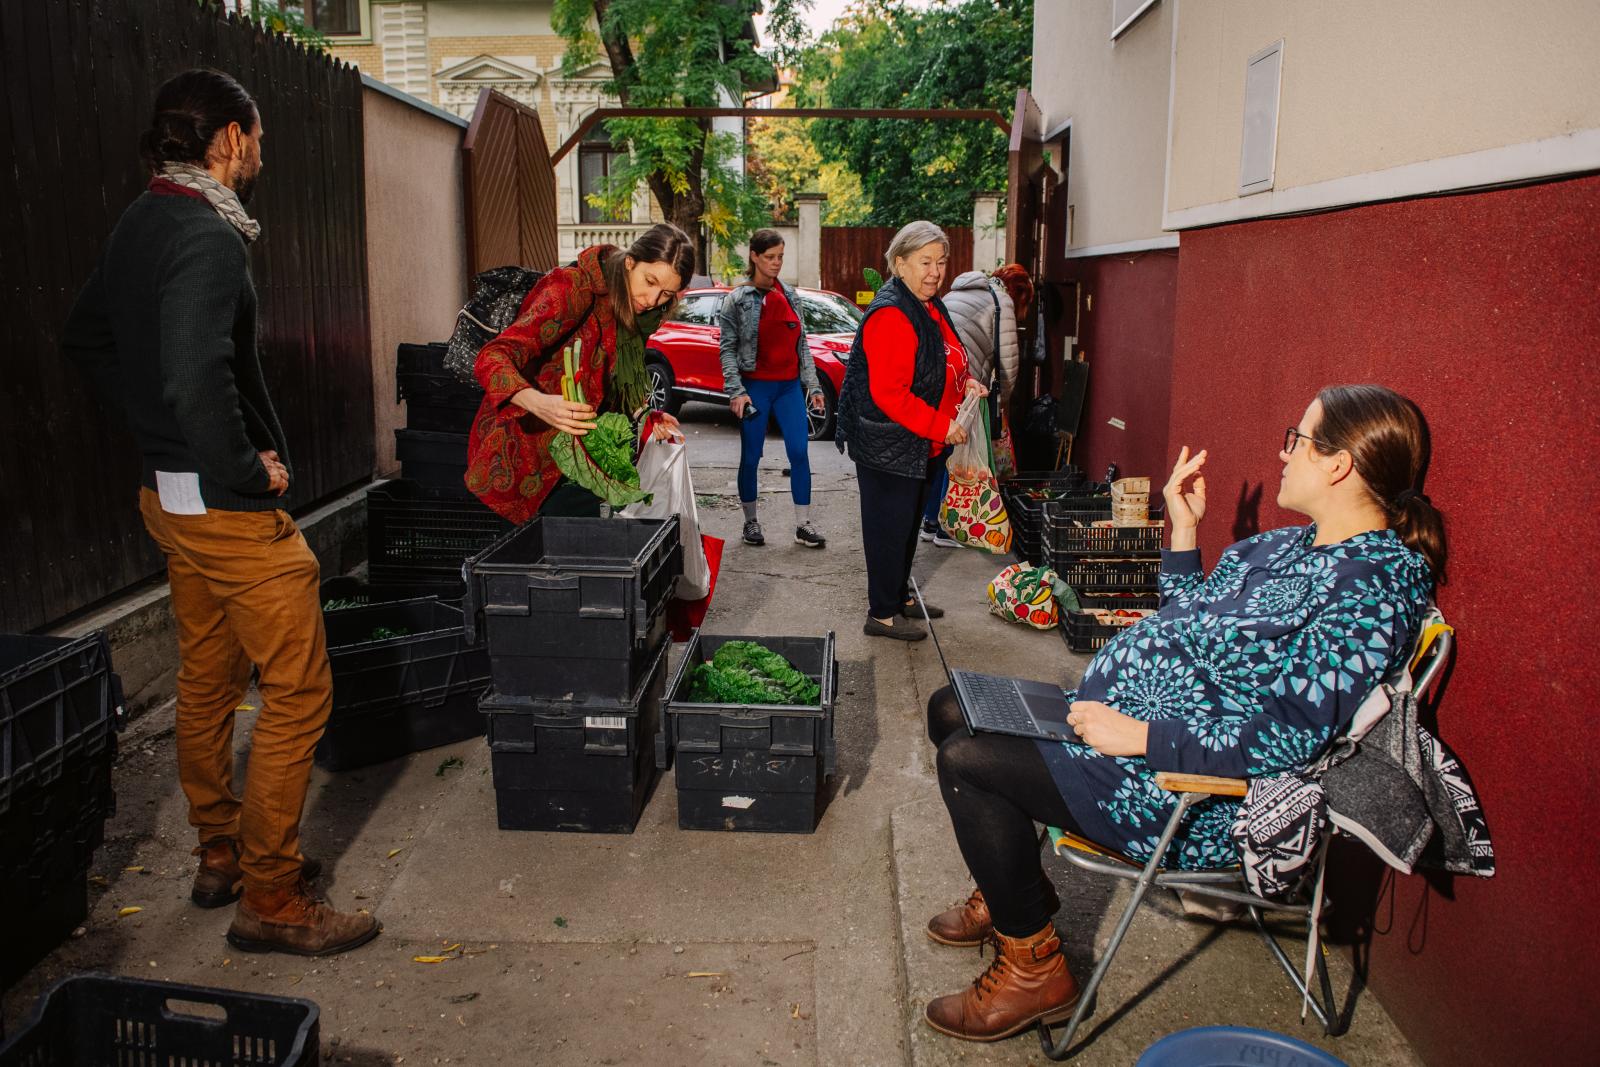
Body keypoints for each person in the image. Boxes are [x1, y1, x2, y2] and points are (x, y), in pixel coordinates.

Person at [919, 384, 1443, 1041]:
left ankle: (1033, 967)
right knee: (951, 706)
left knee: (968, 758)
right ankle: (1009, 895)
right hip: (1121, 734)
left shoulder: (1370, 589)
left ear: (1338, 464)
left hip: (1177, 790)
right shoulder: (1284, 547)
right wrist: (1185, 529)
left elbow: (1290, 737)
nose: (1284, 454)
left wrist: (1141, 735)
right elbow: (1188, 620)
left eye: (1298, 440)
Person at [61, 69, 379, 956]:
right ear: (231, 140)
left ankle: (221, 851)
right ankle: (273, 896)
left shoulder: (144, 216)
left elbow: (87, 339)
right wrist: (244, 464)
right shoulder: (205, 237)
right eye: (260, 136)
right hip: (227, 509)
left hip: (170, 500)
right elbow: (195, 375)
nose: (263, 151)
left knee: (207, 677)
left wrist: (161, 439)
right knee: (300, 690)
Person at [465, 224, 696, 522]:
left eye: (666, 293)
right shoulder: (572, 288)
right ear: (630, 262)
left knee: (580, 560)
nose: (653, 299)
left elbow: (616, 383)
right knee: (521, 562)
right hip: (524, 461)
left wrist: (644, 415)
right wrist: (538, 402)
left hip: (582, 467)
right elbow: (493, 356)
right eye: (649, 281)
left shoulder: (639, 315)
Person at [834, 221, 989, 640]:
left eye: (941, 262)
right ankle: (881, 615)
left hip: (922, 443)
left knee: (905, 530)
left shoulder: (929, 306)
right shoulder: (892, 314)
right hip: (890, 444)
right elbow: (890, 394)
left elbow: (947, 360)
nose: (935, 271)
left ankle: (900, 596)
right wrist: (943, 424)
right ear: (899, 263)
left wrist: (966, 383)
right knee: (888, 531)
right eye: (925, 262)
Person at [719, 229, 829, 549]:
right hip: (756, 388)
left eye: (781, 256)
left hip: (789, 388)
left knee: (799, 452)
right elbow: (726, 349)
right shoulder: (737, 300)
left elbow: (802, 343)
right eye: (770, 257)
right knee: (752, 456)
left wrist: (814, 385)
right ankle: (750, 521)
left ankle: (803, 525)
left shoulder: (790, 294)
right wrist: (736, 391)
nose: (777, 263)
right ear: (754, 256)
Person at [921, 264, 1035, 544]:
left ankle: (930, 520)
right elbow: (1008, 361)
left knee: (940, 448)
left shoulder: (954, 294)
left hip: (937, 380)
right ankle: (946, 528)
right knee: (957, 454)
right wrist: (1003, 401)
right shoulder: (1001, 301)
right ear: (1018, 292)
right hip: (966, 383)